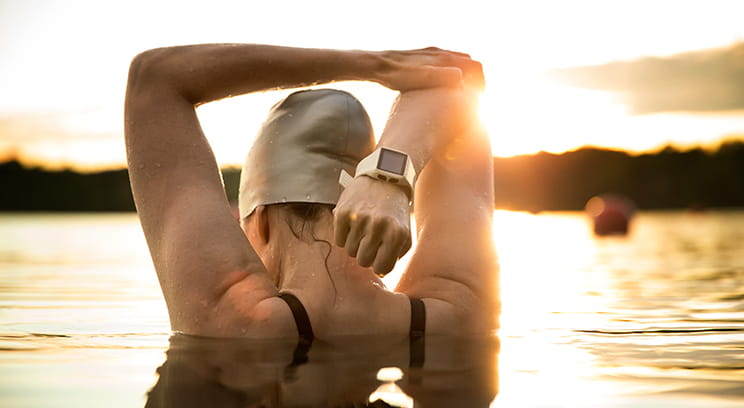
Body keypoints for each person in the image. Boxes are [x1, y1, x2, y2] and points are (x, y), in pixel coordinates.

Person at [124, 44, 499, 342]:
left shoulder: (230, 317)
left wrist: (374, 64)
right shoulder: (455, 312)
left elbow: (155, 76)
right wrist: (388, 173)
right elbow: (460, 85)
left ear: (263, 221)